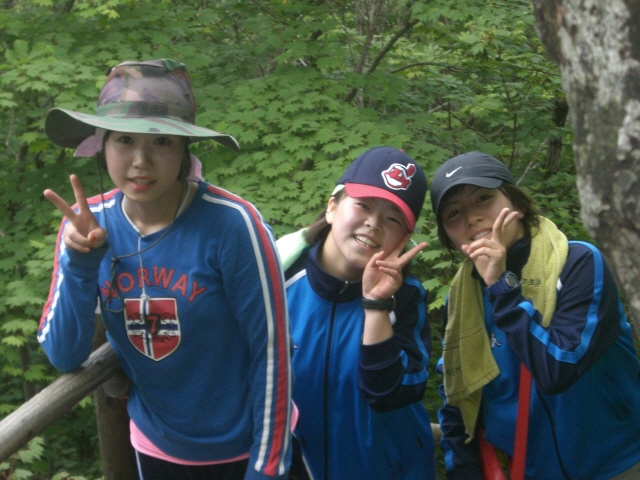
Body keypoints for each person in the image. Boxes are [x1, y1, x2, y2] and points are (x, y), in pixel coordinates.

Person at [37, 59, 292, 480]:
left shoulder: (232, 225)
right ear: (101, 145)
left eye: (161, 142)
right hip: (156, 448)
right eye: (124, 140)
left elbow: (272, 349)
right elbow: (64, 355)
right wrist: (81, 262)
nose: (141, 161)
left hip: (245, 446)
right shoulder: (85, 224)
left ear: (184, 150)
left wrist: (267, 467)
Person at [431, 151, 640, 480]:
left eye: (483, 198)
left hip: (615, 462)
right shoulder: (461, 301)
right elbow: (456, 393)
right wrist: (463, 468)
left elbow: (558, 369)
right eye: (454, 213)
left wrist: (502, 287)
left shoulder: (578, 263)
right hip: (526, 469)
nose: (471, 218)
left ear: (517, 202)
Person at [277, 146, 437, 480]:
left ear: (405, 238)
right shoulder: (276, 278)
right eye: (363, 205)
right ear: (332, 207)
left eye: (392, 218)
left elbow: (390, 394)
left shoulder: (406, 298)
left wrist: (377, 305)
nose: (373, 223)